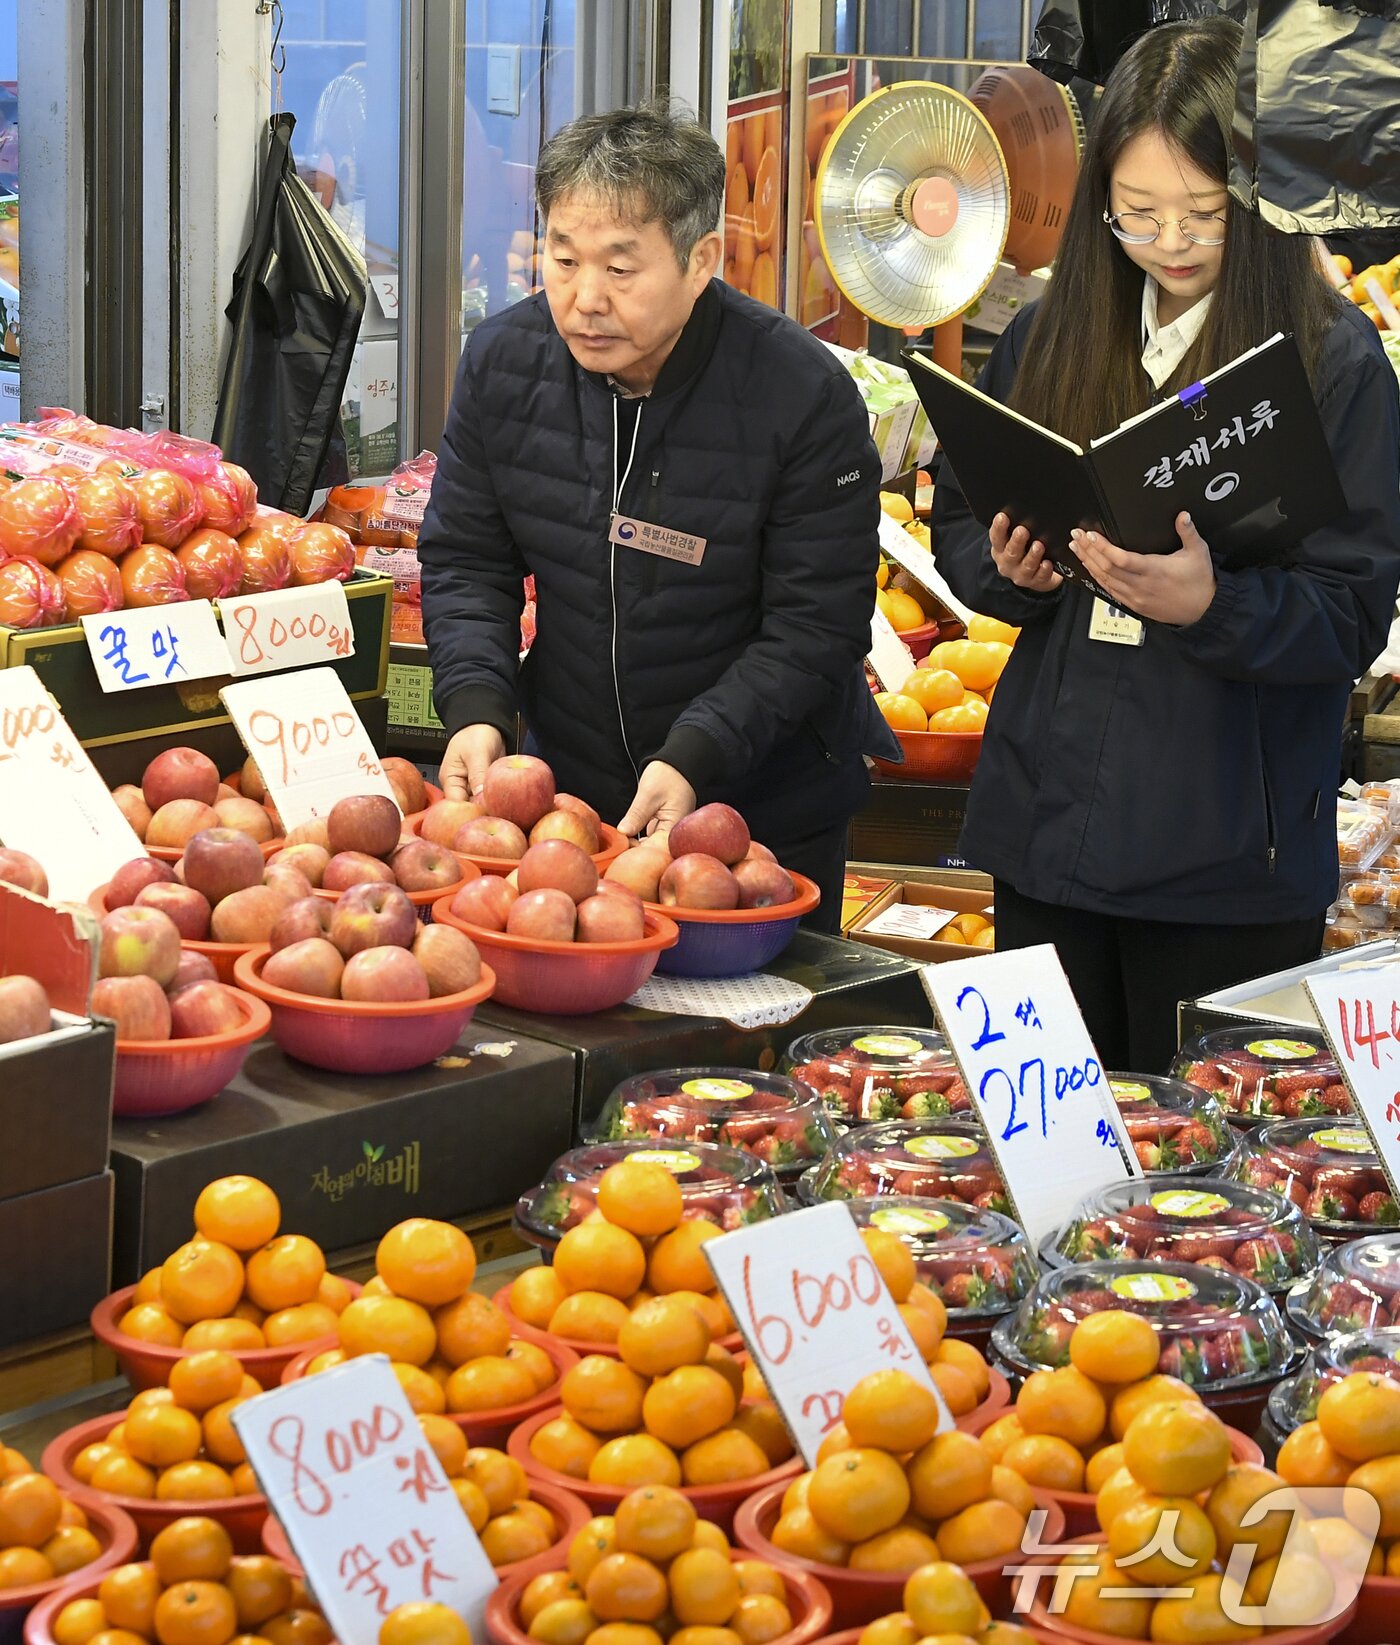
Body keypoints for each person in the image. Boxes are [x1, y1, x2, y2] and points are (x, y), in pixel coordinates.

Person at [930, 17, 1400, 1071]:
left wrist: (1211, 603)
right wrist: (1006, 568)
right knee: (1048, 1162)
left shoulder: (1333, 363)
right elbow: (959, 514)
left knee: (1195, 1190)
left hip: (1223, 850)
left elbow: (1350, 610)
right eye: (1136, 215)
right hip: (1043, 831)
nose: (1171, 243)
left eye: (1202, 214)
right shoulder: (1049, 331)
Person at [416, 100, 896, 930]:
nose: (584, 299)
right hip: (572, 805)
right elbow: (467, 560)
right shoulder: (504, 365)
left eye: (620, 268)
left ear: (702, 257)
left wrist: (696, 752)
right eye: (561, 260)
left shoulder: (800, 395)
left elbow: (815, 628)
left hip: (759, 809)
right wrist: (477, 706)